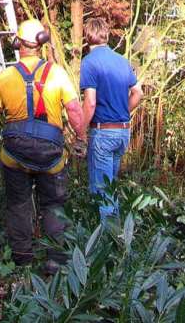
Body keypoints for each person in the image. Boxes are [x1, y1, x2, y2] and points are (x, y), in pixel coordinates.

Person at [0, 19, 85, 272]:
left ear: (17, 44)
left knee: (18, 204)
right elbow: (73, 109)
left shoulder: (4, 77)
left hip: (15, 154)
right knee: (53, 204)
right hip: (51, 155)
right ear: (41, 44)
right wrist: (81, 139)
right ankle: (55, 261)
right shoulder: (57, 73)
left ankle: (22, 259)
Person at [80, 18, 143, 220]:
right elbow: (138, 93)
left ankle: (107, 243)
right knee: (110, 186)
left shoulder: (89, 62)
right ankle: (117, 235)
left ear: (87, 36)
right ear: (106, 35)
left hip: (103, 132)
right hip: (123, 131)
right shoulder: (122, 61)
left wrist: (80, 132)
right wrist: (122, 112)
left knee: (102, 191)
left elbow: (90, 103)